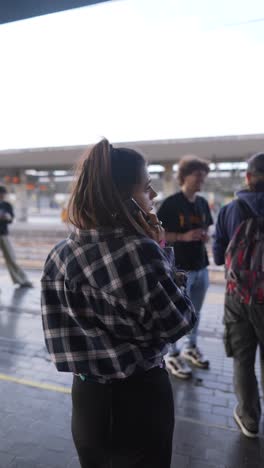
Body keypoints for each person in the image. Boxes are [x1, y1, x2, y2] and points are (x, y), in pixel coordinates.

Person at [41, 139, 196, 468]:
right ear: (123, 198)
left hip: (87, 399)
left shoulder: (59, 256)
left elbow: (58, 338)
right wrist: (161, 249)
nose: (153, 196)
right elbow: (180, 321)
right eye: (147, 187)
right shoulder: (141, 251)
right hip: (141, 397)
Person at [213, 152, 264, 438]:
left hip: (238, 297)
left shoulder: (231, 209)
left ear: (247, 177)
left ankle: (249, 418)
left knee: (243, 359)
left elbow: (219, 257)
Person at [158, 156, 213, 379]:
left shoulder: (201, 203)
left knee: (196, 313)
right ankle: (172, 354)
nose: (201, 180)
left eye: (204, 176)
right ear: (184, 177)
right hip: (180, 270)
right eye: (197, 175)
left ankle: (191, 347)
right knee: (176, 313)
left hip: (201, 266)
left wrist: (203, 236)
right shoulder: (171, 204)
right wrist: (183, 236)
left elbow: (206, 228)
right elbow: (158, 236)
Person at [0, 185, 33, 288]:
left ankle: (21, 280)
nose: (2, 196)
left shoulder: (6, 205)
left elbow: (10, 219)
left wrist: (6, 217)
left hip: (3, 234)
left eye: (3, 194)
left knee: (11, 258)